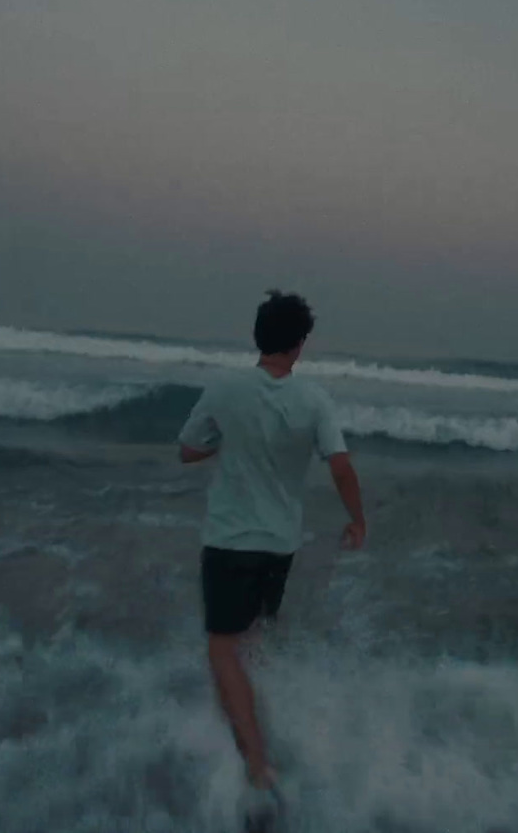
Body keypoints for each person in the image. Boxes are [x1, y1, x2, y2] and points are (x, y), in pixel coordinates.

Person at [178, 290, 367, 793]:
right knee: (255, 634)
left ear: (257, 336)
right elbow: (341, 465)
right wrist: (358, 521)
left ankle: (256, 763)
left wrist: (229, 440)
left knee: (221, 648)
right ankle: (258, 709)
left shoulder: (224, 388)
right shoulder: (314, 399)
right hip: (280, 544)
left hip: (229, 540)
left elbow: (189, 450)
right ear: (300, 345)